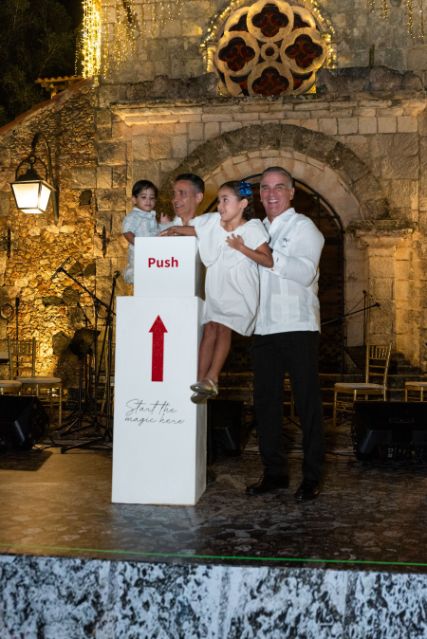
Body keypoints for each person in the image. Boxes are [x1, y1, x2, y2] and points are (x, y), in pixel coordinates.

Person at [247, 166, 325, 502]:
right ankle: (274, 473)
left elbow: (304, 273)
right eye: (265, 187)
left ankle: (312, 477)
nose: (271, 193)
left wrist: (265, 256)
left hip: (297, 326)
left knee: (307, 404)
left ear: (292, 193)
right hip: (263, 328)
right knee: (266, 405)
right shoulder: (255, 229)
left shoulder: (305, 228)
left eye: (279, 187)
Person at [161, 180, 273, 403]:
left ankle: (212, 377)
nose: (220, 206)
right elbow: (197, 230)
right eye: (219, 200)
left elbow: (267, 260)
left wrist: (241, 248)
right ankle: (199, 380)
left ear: (242, 204)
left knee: (223, 328)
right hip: (217, 286)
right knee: (210, 328)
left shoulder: (251, 228)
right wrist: (175, 229)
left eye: (225, 200)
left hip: (238, 289)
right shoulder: (214, 224)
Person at [122, 179, 161, 284]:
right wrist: (140, 244)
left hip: (152, 253)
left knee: (151, 277)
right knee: (141, 275)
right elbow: (127, 232)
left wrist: (163, 224)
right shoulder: (134, 216)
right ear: (134, 200)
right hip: (140, 253)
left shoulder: (151, 216)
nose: (148, 201)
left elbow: (156, 233)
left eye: (152, 198)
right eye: (143, 197)